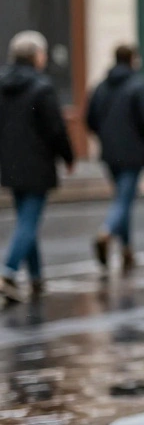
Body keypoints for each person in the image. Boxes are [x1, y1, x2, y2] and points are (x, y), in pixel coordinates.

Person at [0, 31, 75, 303]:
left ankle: (36, 278)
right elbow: (55, 128)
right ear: (36, 56)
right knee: (29, 222)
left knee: (26, 220)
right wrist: (68, 156)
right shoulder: (42, 87)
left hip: (10, 163)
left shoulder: (3, 84)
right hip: (37, 163)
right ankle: (8, 271)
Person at [86, 45, 144, 274]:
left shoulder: (101, 86)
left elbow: (90, 119)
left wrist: (105, 137)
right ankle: (106, 232)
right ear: (132, 59)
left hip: (109, 153)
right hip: (132, 152)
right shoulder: (138, 86)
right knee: (124, 200)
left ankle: (127, 250)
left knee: (122, 197)